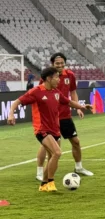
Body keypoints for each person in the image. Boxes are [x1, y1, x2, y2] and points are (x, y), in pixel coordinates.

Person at [8, 67, 93, 192]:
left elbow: (68, 102)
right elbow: (16, 102)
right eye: (57, 77)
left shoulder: (56, 92)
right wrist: (11, 114)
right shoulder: (36, 92)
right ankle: (51, 183)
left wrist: (81, 106)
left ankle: (43, 185)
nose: (59, 79)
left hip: (55, 130)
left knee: (53, 157)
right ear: (48, 78)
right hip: (42, 129)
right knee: (57, 153)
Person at [35, 53, 93, 181]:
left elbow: (72, 92)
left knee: (76, 141)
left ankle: (79, 167)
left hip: (64, 115)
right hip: (50, 117)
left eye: (62, 63)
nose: (60, 65)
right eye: (57, 64)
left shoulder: (70, 75)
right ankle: (39, 171)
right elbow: (40, 93)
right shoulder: (47, 76)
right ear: (52, 64)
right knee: (47, 145)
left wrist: (78, 108)